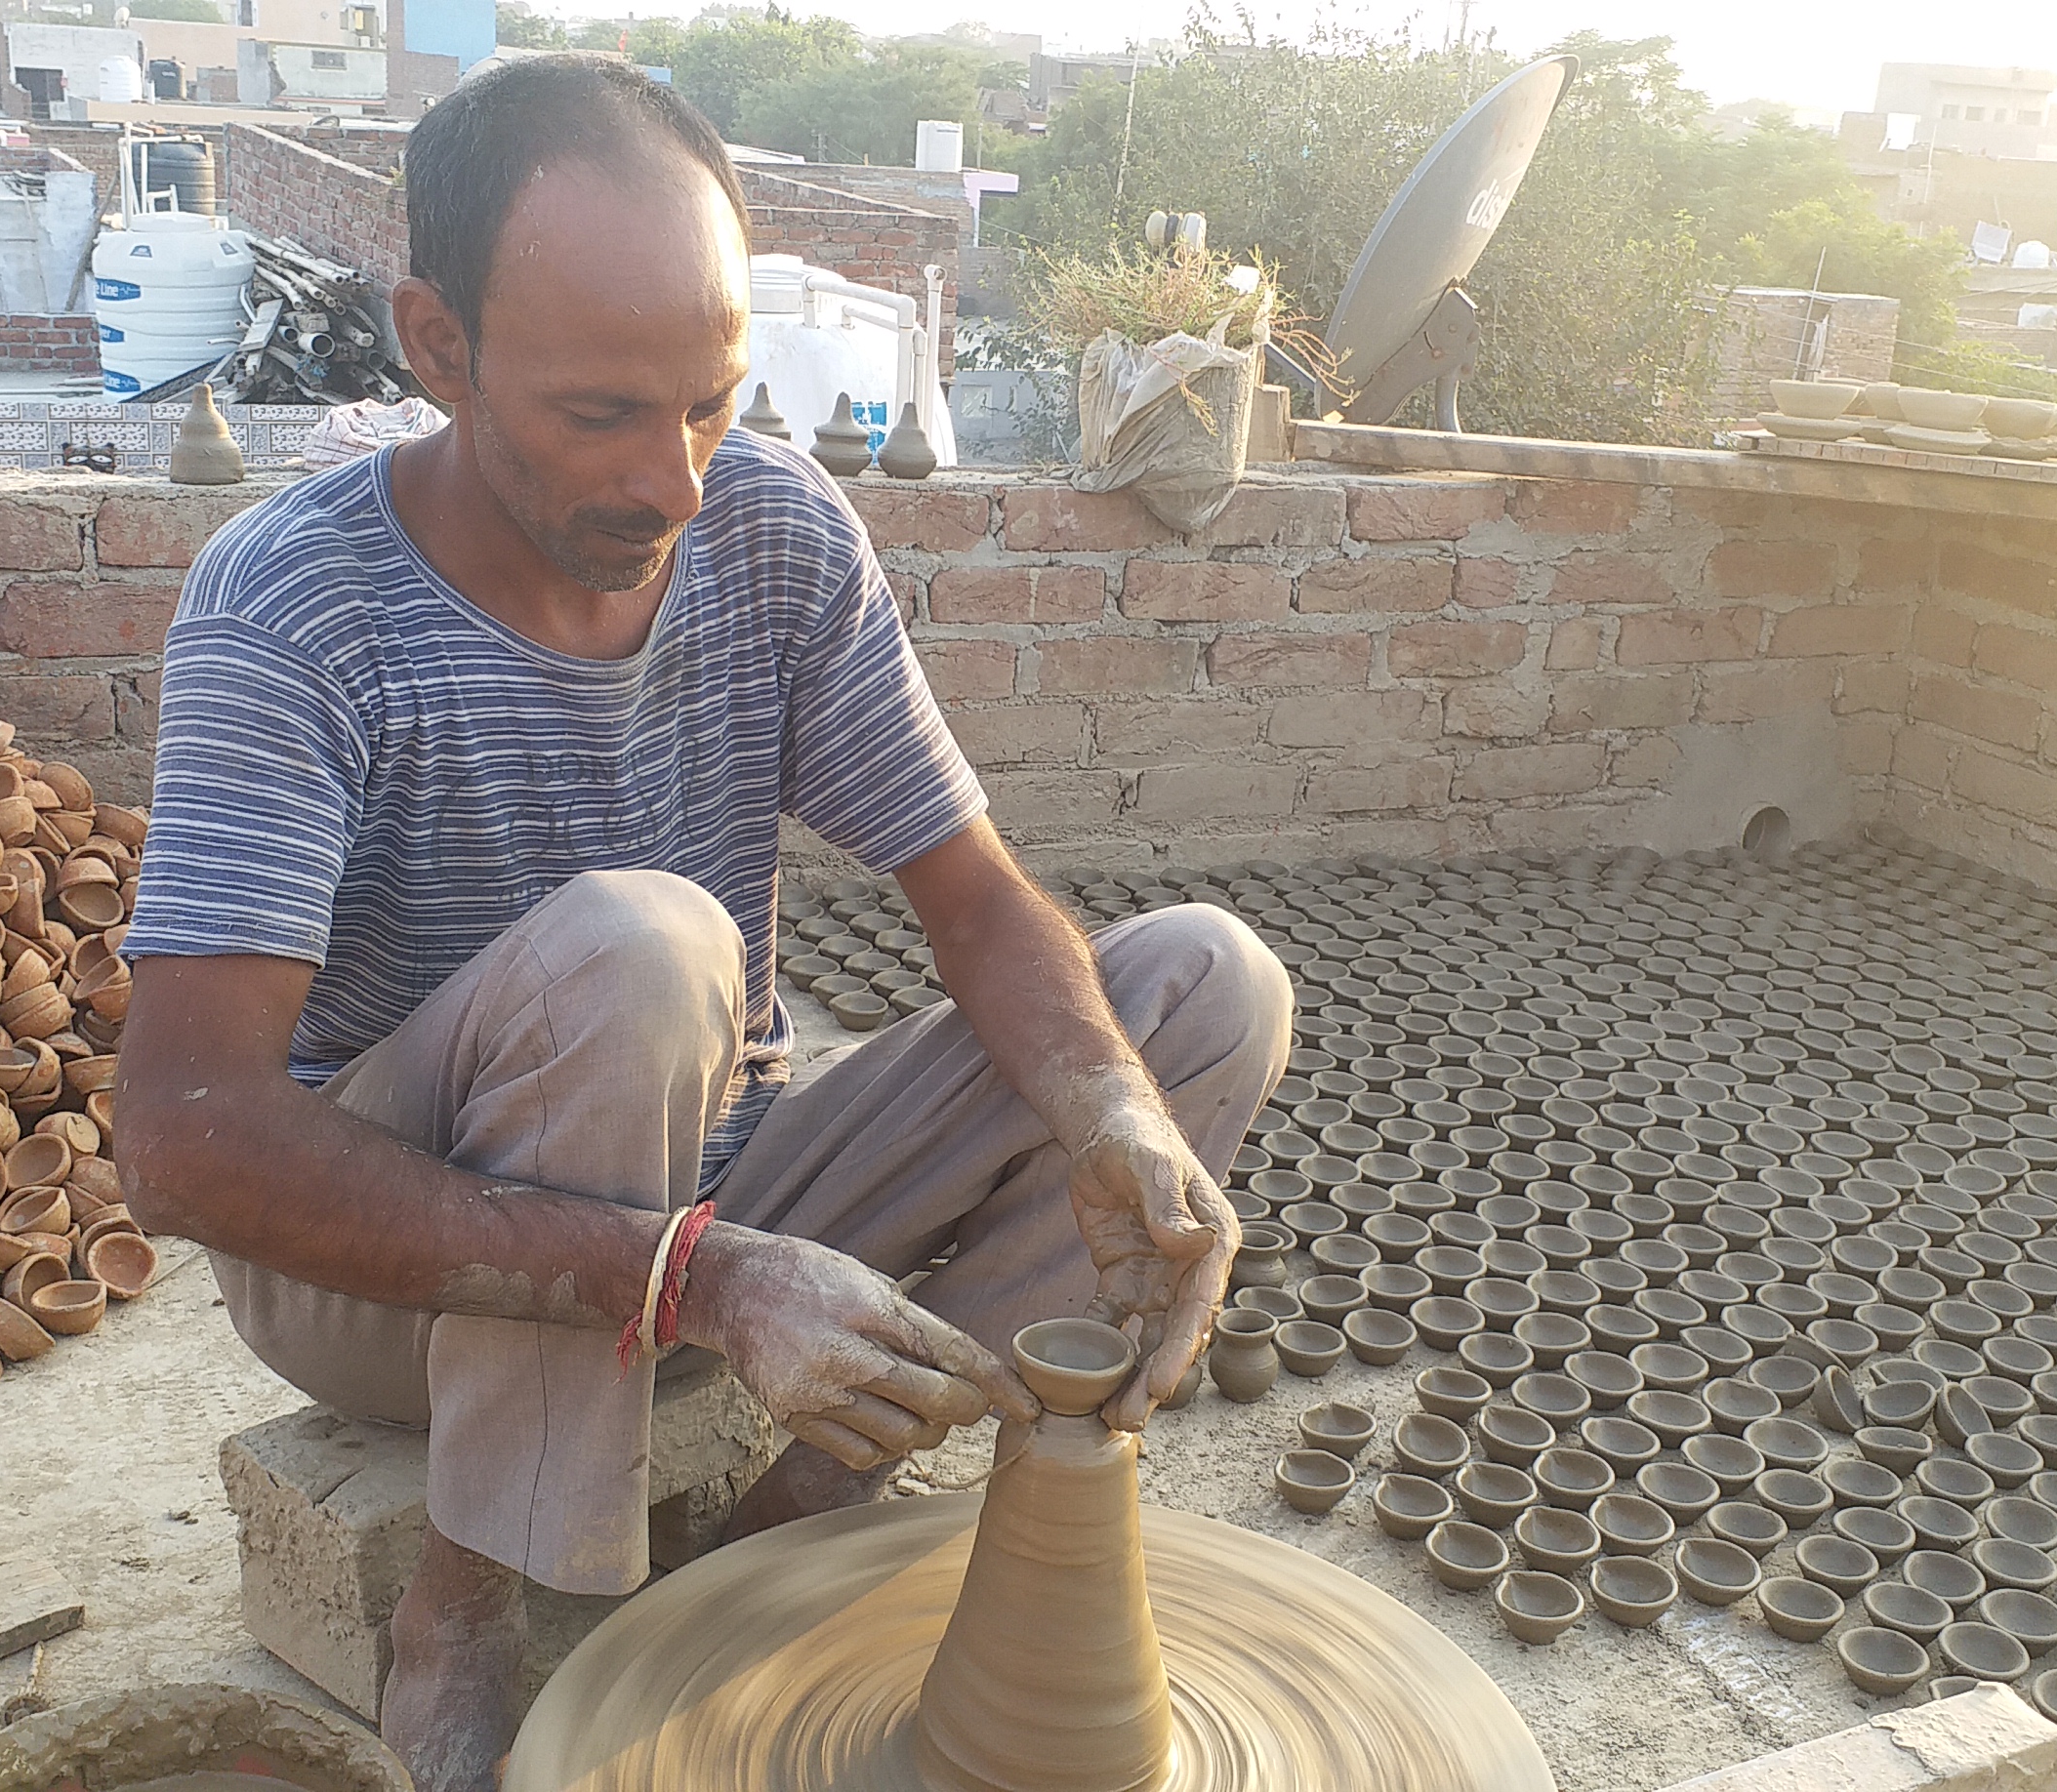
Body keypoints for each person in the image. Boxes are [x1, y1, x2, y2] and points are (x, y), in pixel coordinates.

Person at [110, 53, 1294, 1792]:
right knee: (643, 950)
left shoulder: (772, 533)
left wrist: (1116, 1117)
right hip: (385, 1278)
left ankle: (790, 1516)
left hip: (705, 1178)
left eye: (715, 402)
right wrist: (698, 1276)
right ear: (436, 345)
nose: (674, 481)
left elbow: (973, 901)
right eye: (602, 414)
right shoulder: (293, 604)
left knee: (1200, 988)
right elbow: (185, 1146)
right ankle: (464, 1600)